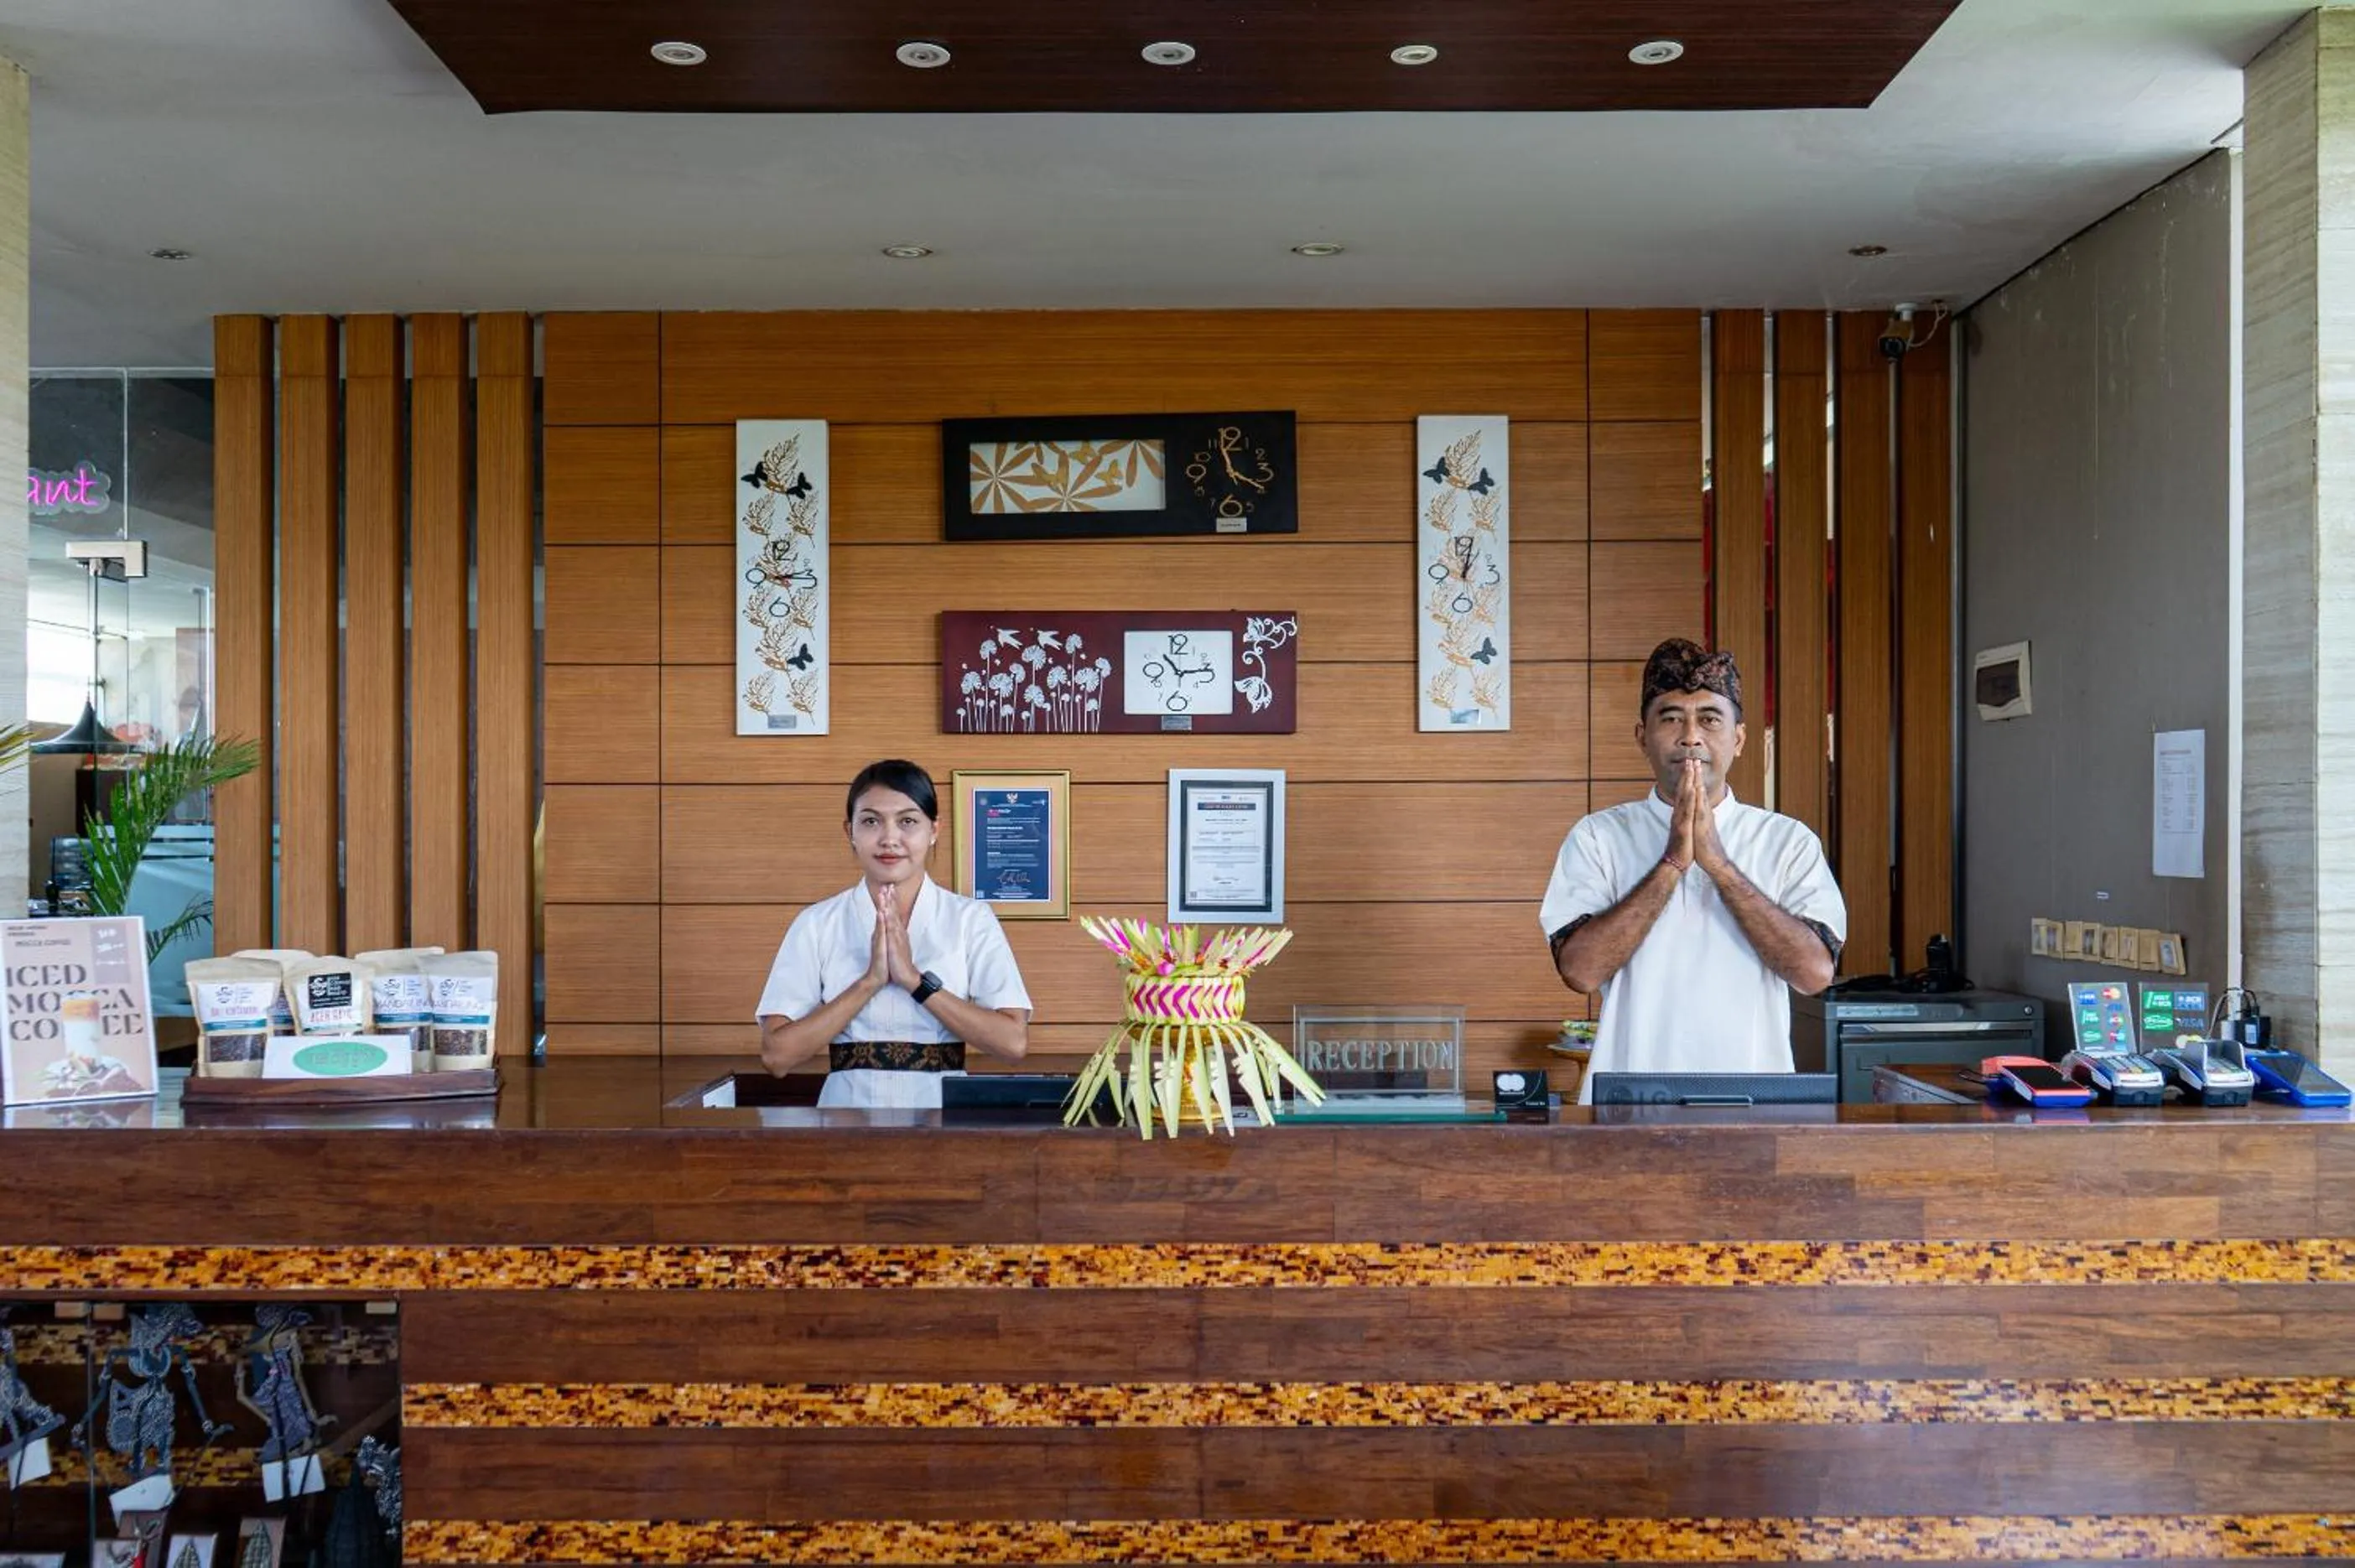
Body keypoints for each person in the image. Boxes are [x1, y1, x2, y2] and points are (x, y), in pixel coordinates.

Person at [1541, 639, 1845, 1100]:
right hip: (1628, 1097)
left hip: (1755, 1095)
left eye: (1709, 718)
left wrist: (1718, 865)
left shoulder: (1788, 841)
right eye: (1670, 718)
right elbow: (1580, 972)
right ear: (1642, 736)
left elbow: (1814, 974)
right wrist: (1672, 862)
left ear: (1739, 739)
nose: (1690, 736)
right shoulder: (1597, 836)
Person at [756, 760, 1032, 1109]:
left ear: (934, 831)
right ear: (850, 831)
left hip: (944, 1122)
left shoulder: (970, 919)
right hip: (844, 1121)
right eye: (871, 821)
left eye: (908, 822)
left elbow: (1012, 1043)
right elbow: (777, 1056)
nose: (889, 839)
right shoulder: (816, 922)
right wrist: (869, 981)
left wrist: (915, 981)